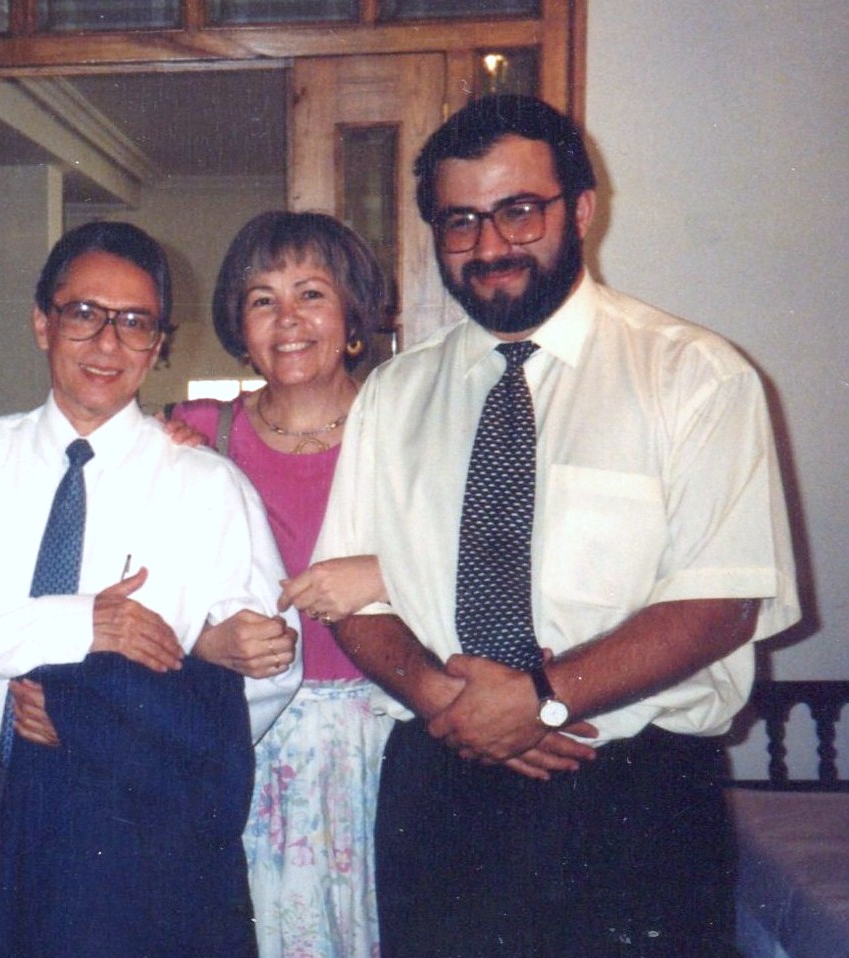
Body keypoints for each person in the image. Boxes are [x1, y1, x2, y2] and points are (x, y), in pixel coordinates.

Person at [315, 94, 800, 957]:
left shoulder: (695, 377)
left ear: (581, 207)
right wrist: (449, 702)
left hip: (630, 791)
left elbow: (721, 602)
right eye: (460, 221)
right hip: (442, 779)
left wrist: (539, 699)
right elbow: (352, 588)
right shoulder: (393, 394)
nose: (490, 245)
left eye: (519, 211)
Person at [0, 221, 302, 958]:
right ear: (43, 322)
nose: (108, 344)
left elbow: (266, 677)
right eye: (84, 314)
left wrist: (114, 723)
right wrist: (82, 627)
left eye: (135, 323)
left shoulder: (206, 486)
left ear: (160, 343)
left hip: (135, 815)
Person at [168, 210, 392, 958]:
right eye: (263, 299)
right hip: (252, 745)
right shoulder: (198, 432)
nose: (287, 320)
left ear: (354, 314)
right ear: (240, 322)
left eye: (311, 294)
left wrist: (384, 575)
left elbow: (481, 565)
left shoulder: (409, 428)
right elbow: (134, 589)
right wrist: (204, 640)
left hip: (392, 736)